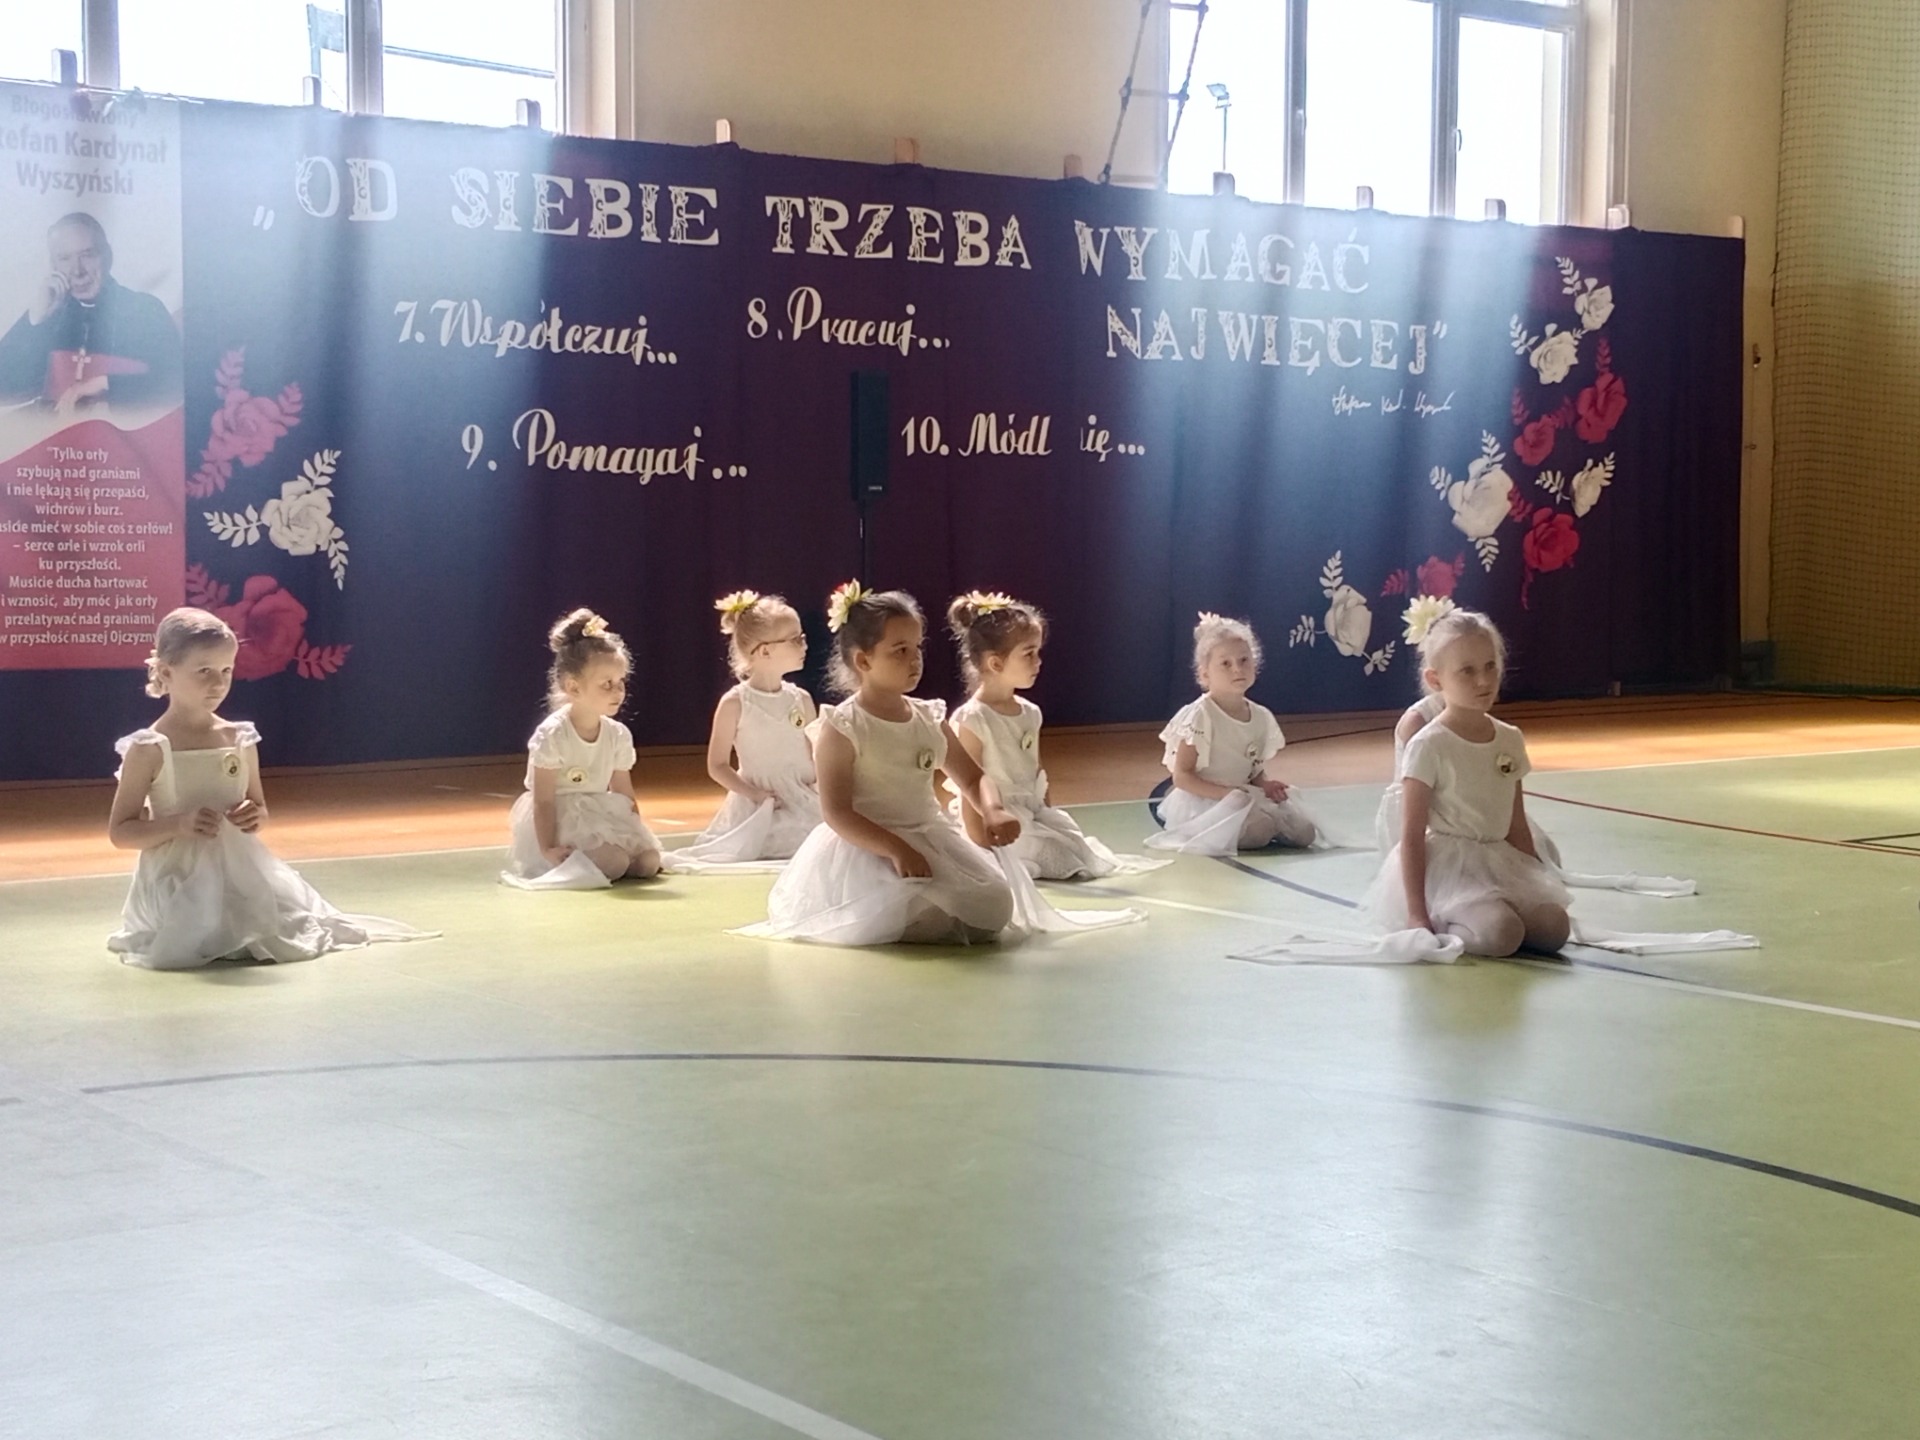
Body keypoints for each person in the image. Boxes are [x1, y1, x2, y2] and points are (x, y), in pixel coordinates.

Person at [106, 608, 434, 968]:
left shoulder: (239, 737)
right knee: (203, 926)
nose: (218, 683)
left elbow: (259, 808)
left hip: (239, 870)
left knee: (273, 927)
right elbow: (121, 832)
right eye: (204, 671)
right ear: (167, 672)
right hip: (175, 877)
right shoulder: (149, 748)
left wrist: (253, 816)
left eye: (226, 671)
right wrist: (179, 824)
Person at [737, 583, 1029, 945]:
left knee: (995, 903)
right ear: (863, 661)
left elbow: (973, 778)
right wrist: (897, 849)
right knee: (907, 906)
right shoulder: (843, 727)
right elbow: (837, 812)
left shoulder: (928, 718)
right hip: (868, 847)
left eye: (917, 647)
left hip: (930, 837)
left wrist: (993, 809)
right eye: (900, 650)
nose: (915, 659)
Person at [1367, 609, 1570, 957]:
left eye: (1490, 666)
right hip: (1451, 870)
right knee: (1502, 934)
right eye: (1467, 671)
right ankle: (1448, 920)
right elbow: (1412, 836)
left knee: (1555, 929)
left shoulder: (1509, 738)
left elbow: (1515, 824)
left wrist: (1536, 882)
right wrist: (1417, 914)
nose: (1483, 681)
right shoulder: (1429, 744)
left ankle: (1494, 915)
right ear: (1435, 679)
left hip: (1498, 862)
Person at [946, 590, 1165, 880]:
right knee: (1049, 853)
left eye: (1038, 652)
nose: (1038, 662)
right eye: (1029, 654)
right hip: (996, 817)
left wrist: (1046, 814)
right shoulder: (973, 718)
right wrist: (981, 846)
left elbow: (1036, 771)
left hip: (1030, 812)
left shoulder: (1030, 712)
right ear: (996, 663)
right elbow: (969, 786)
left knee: (1073, 846)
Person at [502, 609, 663, 888]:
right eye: (607, 684)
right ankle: (582, 859)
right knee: (614, 863)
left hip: (599, 814)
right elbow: (544, 801)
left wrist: (638, 837)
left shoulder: (617, 735)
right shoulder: (553, 735)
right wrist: (548, 848)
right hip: (561, 819)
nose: (618, 691)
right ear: (574, 688)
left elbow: (624, 794)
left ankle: (615, 856)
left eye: (621, 682)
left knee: (648, 862)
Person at [666, 590, 821, 871]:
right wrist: (755, 794)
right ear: (765, 650)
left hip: (804, 798)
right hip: (760, 803)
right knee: (771, 842)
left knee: (823, 839)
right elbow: (717, 765)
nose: (805, 645)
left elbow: (816, 755)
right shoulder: (735, 703)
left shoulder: (802, 699)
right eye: (795, 640)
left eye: (803, 637)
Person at [1144, 612, 1318, 854]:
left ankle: (1259, 824)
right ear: (1205, 674)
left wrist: (1265, 784)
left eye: (1244, 660)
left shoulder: (1260, 716)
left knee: (1304, 832)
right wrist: (1226, 795)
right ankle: (1234, 828)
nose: (1237, 669)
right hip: (1206, 799)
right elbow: (1182, 777)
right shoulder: (1200, 715)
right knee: (1259, 831)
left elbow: (1252, 768)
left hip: (1242, 795)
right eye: (1225, 664)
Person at [0, 212, 181, 413]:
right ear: (53, 265)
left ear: (108, 256)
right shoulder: (49, 315)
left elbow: (175, 384)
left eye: (87, 255)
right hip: (54, 431)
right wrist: (34, 320)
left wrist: (105, 383)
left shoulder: (144, 310)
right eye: (64, 258)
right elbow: (4, 389)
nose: (77, 270)